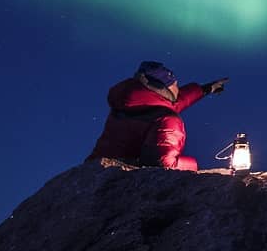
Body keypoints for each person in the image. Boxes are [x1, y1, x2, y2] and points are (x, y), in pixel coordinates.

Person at [88, 61, 228, 171]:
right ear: (162, 88)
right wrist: (194, 165)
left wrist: (204, 89)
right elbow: (163, 166)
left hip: (95, 169)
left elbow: (171, 103)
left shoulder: (129, 104)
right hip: (124, 181)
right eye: (175, 85)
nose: (178, 89)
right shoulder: (167, 120)